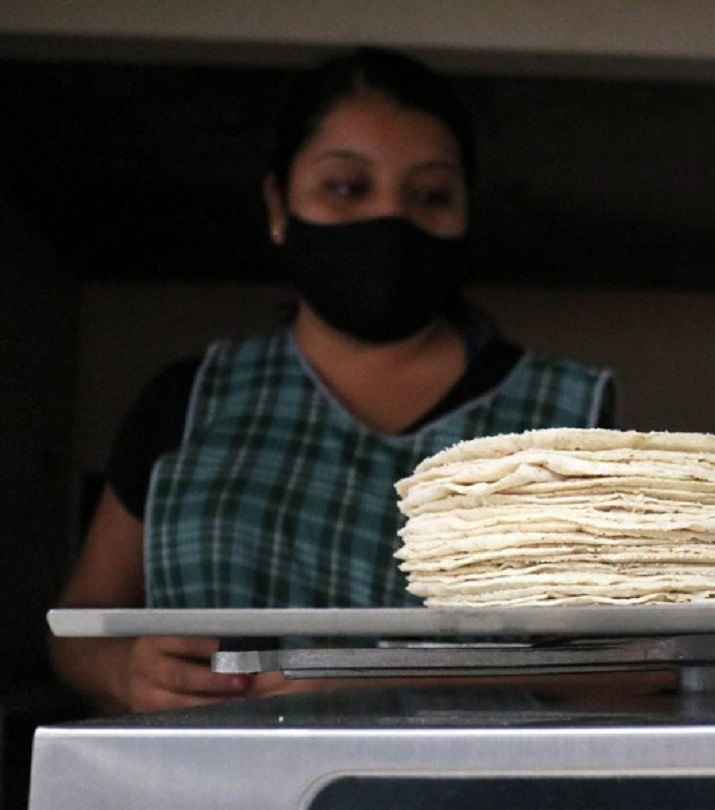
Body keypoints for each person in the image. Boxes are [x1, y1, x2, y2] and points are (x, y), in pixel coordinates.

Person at [49, 46, 620, 715]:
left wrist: (384, 679)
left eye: (430, 196)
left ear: (466, 214)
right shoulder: (188, 400)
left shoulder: (562, 420)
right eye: (347, 187)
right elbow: (81, 623)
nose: (390, 219)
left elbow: (630, 668)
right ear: (278, 204)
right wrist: (122, 672)